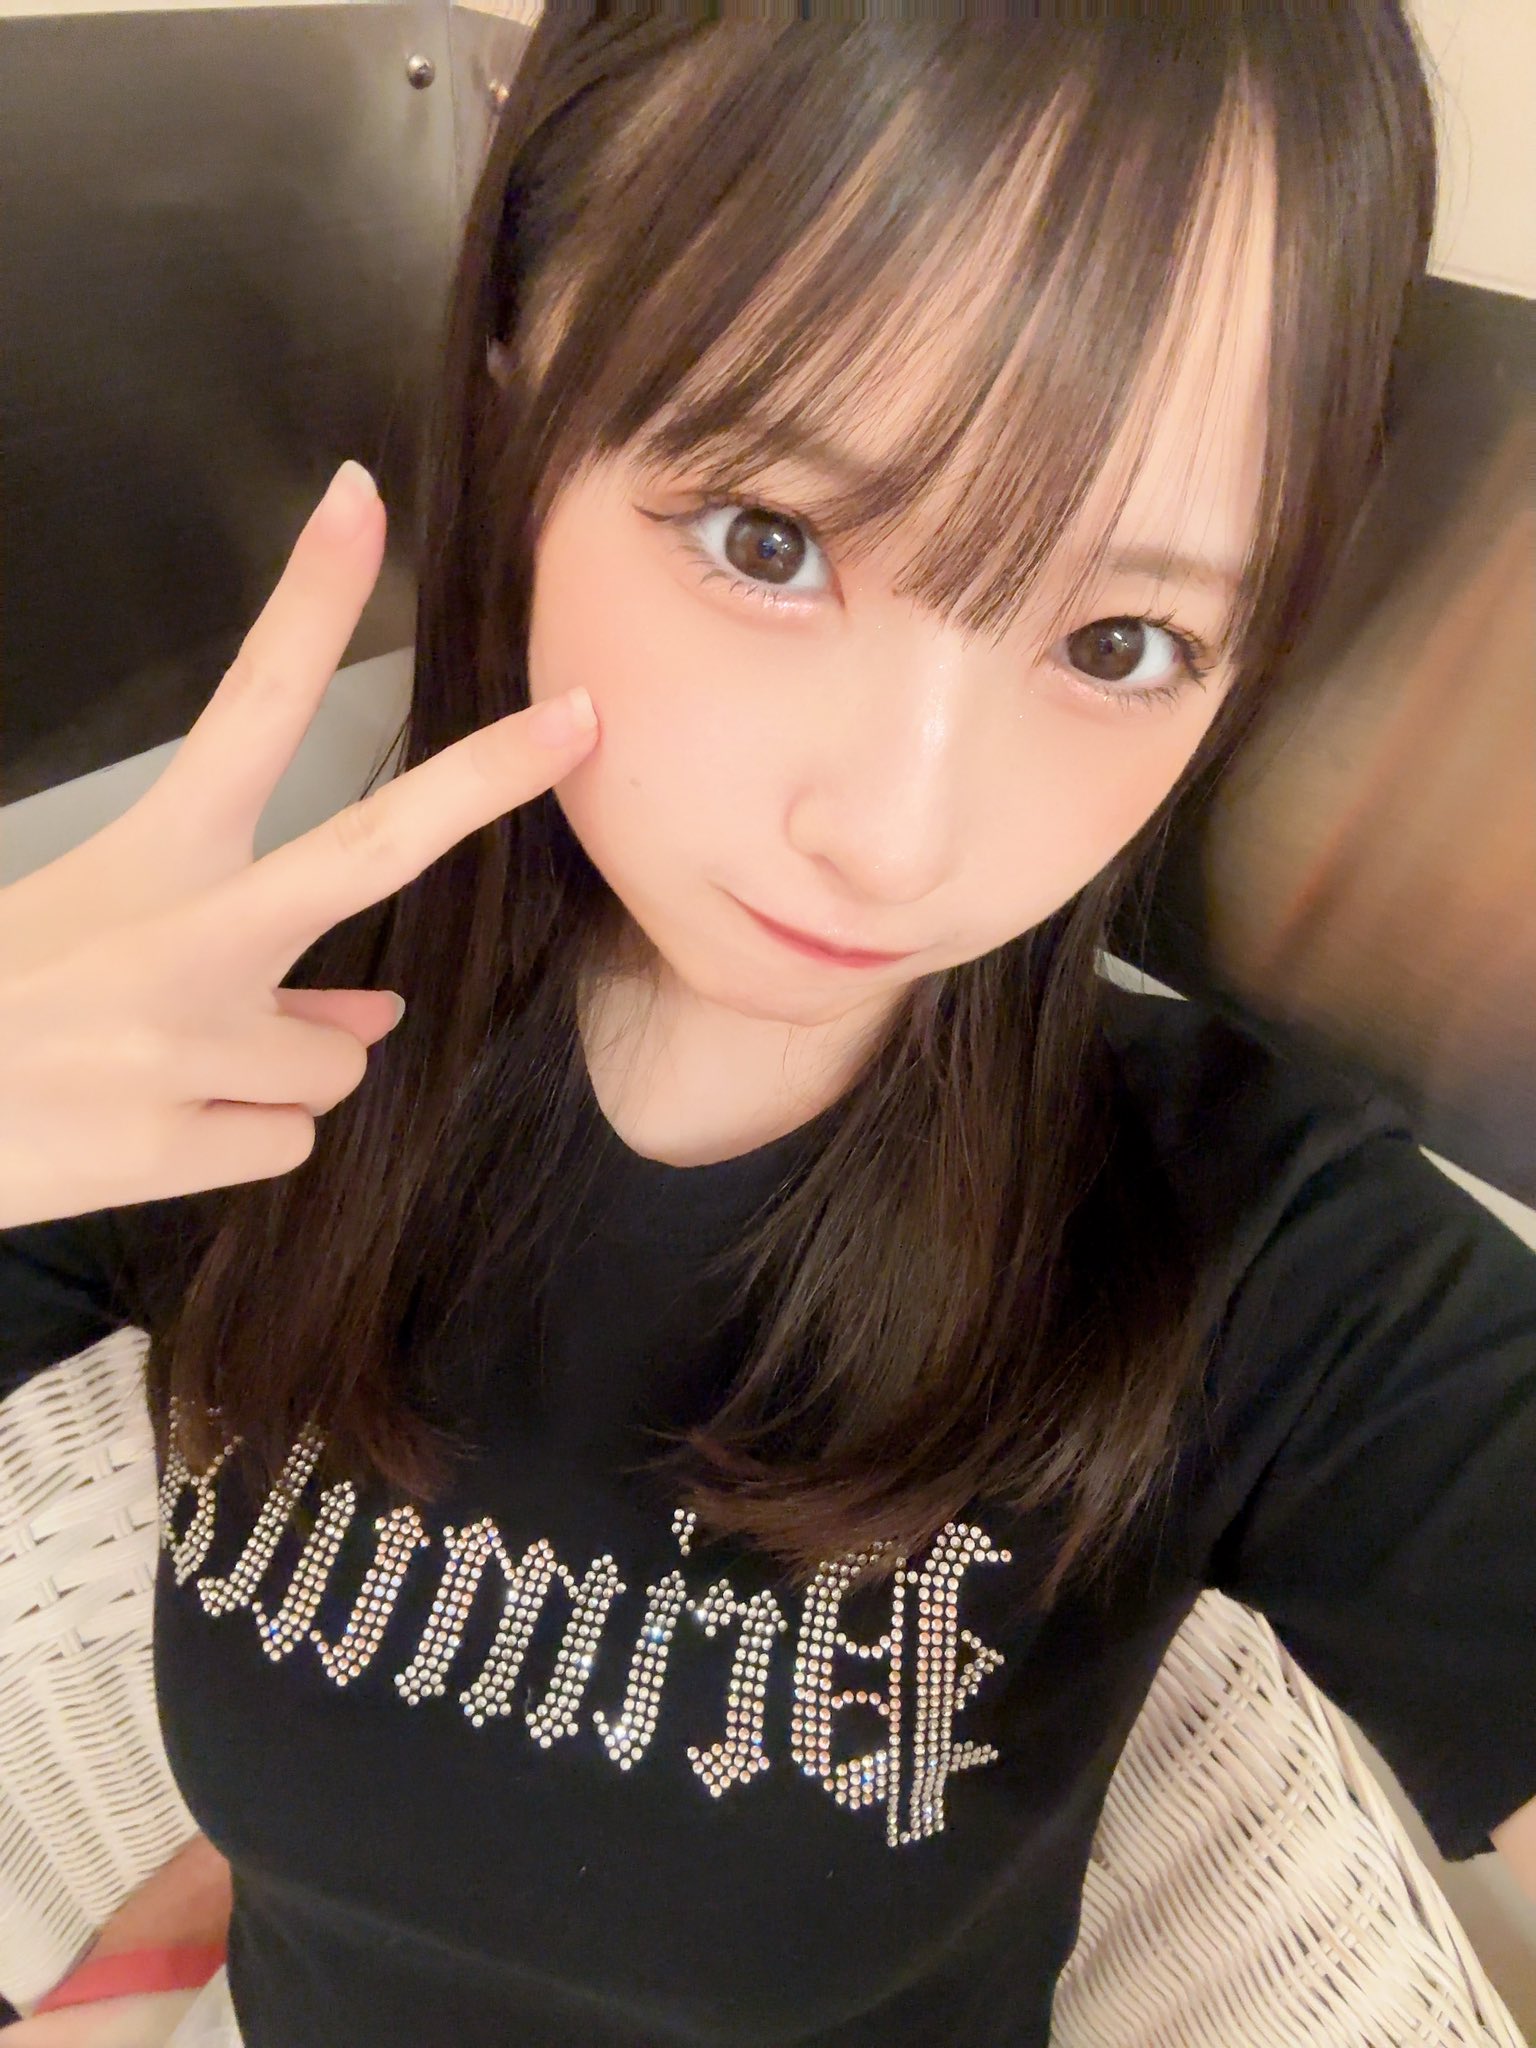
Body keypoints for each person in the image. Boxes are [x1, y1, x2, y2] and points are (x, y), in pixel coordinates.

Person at [1, 10, 1532, 2047]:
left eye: (1121, 639)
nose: (898, 835)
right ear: (524, 374)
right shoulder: (248, 1045)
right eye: (771, 539)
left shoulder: (1255, 1253)